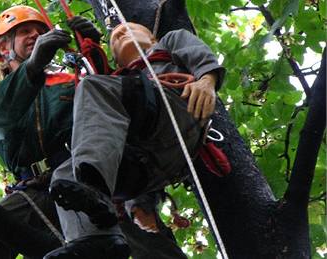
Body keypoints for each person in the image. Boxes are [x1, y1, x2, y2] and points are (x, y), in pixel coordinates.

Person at [0, 5, 189, 259]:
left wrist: (96, 58)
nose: (34, 36)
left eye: (40, 31)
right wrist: (32, 67)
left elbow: (115, 117)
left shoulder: (72, 81)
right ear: (4, 49)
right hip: (36, 191)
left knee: (150, 244)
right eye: (24, 32)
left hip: (88, 177)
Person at [44, 22, 225, 258]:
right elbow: (103, 128)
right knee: (64, 172)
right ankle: (97, 238)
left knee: (92, 86)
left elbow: (197, 52)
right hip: (148, 160)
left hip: (175, 113)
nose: (120, 32)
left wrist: (207, 80)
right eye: (115, 39)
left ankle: (95, 189)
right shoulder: (116, 83)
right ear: (118, 61)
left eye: (130, 29)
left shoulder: (168, 43)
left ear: (151, 37)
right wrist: (137, 206)